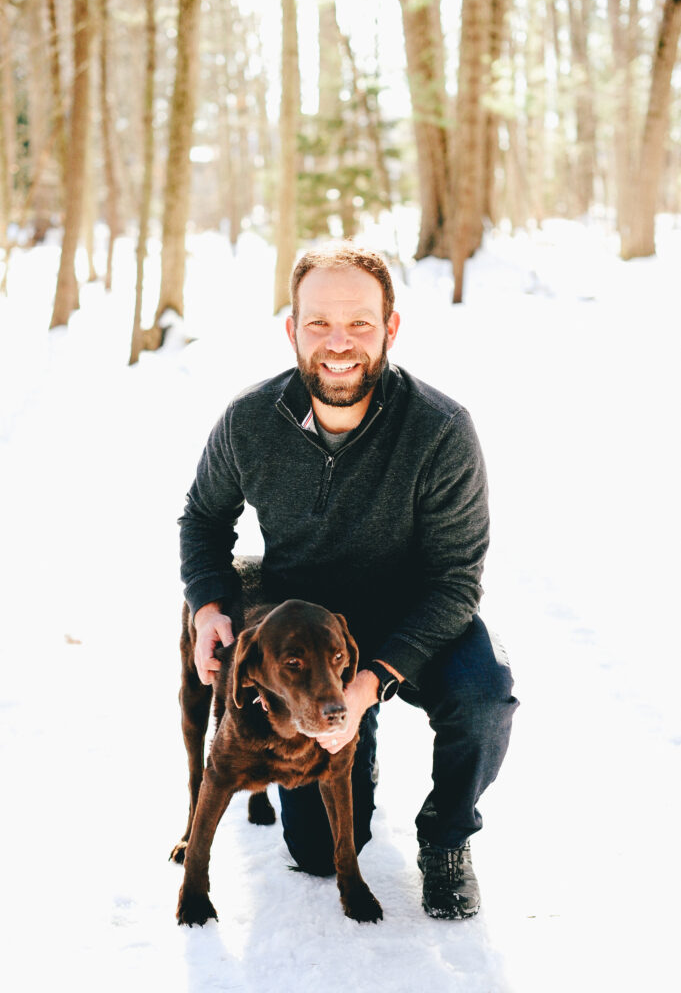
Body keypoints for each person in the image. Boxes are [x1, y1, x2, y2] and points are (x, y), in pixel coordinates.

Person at [179, 241, 518, 920]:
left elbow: (455, 581)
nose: (339, 344)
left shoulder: (440, 430)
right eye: (319, 324)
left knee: (485, 695)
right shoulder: (250, 421)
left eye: (360, 323)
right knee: (314, 852)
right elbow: (204, 517)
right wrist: (209, 602)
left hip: (414, 616)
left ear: (390, 327)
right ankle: (353, 766)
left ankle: (447, 838)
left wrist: (368, 683)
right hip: (305, 636)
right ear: (292, 329)